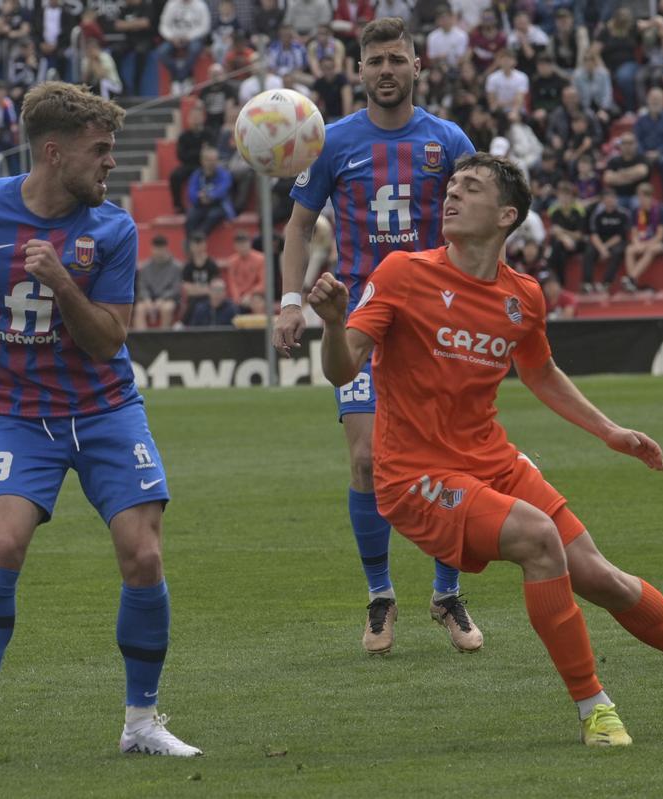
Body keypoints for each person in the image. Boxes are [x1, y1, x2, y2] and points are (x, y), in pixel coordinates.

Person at [311, 150, 663, 747]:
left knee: (602, 576)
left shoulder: (523, 297)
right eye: (452, 186)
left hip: (489, 460)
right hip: (414, 474)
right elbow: (343, 370)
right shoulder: (401, 273)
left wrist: (610, 431)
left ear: (507, 215)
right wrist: (334, 324)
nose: (452, 195)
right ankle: (595, 709)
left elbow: (541, 375)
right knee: (541, 540)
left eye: (470, 188)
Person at [0, 82, 201, 766]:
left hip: (106, 409)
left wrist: (62, 282)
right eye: (100, 151)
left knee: (145, 553)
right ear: (53, 152)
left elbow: (109, 340)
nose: (111, 163)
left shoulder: (113, 229)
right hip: (19, 414)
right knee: (3, 545)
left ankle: (141, 719)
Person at [274, 17, 482, 656]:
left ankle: (446, 594)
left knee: (448, 459)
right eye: (375, 61)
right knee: (366, 459)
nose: (386, 70)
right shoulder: (331, 142)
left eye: (397, 59)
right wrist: (288, 302)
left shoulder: (447, 140)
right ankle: (379, 595)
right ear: (359, 71)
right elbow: (297, 228)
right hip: (365, 317)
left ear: (418, 66)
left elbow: (479, 218)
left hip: (439, 318)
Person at [133, 235, 183, 330]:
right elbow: (142, 287)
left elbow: (175, 289)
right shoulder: (144, 267)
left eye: (161, 249)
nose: (159, 252)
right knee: (139, 309)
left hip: (169, 299)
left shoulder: (176, 267)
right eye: (156, 249)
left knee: (166, 309)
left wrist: (161, 300)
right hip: (148, 299)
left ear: (166, 248)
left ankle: (162, 342)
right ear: (152, 249)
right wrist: (148, 301)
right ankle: (141, 341)